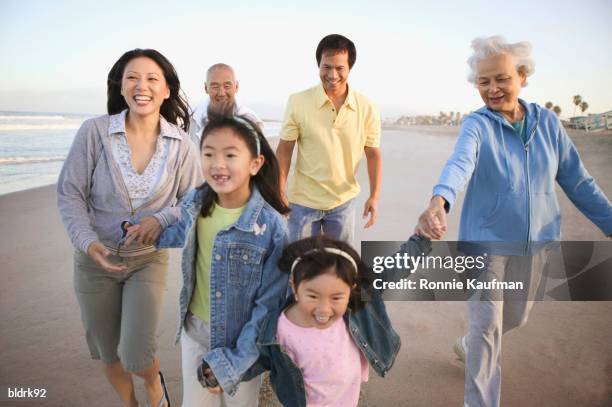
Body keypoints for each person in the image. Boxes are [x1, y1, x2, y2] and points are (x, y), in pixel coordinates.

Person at [415, 36, 612, 407]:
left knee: (515, 318)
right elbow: (460, 163)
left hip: (537, 241)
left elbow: (577, 180)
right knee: (487, 327)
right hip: (483, 243)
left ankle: (468, 343)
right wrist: (439, 200)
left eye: (501, 78)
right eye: (484, 81)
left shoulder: (548, 124)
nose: (492, 89)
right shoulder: (477, 125)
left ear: (522, 76)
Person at [57, 48, 202, 407]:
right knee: (108, 351)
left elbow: (195, 200)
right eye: (132, 78)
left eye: (152, 78)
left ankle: (155, 388)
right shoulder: (94, 132)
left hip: (147, 261)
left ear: (167, 89)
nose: (142, 86)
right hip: (93, 262)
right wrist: (88, 242)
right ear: (120, 88)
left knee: (137, 353)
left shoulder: (182, 145)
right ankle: (131, 404)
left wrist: (160, 219)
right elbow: (70, 193)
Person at [128, 116, 290, 406]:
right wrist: (147, 233)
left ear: (255, 163)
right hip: (196, 329)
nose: (218, 164)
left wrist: (237, 361)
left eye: (230, 155)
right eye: (208, 153)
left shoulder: (272, 227)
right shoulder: (196, 200)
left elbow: (269, 305)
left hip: (242, 340)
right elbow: (182, 232)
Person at [248, 234, 431, 407]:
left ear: (351, 290)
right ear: (294, 287)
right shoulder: (278, 330)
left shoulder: (356, 301)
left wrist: (421, 240)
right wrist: (224, 377)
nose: (324, 309)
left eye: (336, 298)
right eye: (312, 296)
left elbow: (391, 271)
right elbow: (255, 359)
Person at [276, 34, 382, 244]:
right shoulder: (297, 101)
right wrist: (279, 189)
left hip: (342, 202)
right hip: (302, 202)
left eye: (339, 68)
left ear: (349, 68)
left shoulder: (368, 107)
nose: (332, 74)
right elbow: (285, 149)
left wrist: (374, 197)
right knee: (299, 267)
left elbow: (373, 154)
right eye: (327, 67)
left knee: (340, 266)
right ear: (319, 66)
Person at [189, 63, 263, 144]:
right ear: (206, 88)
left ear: (236, 87)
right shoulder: (193, 118)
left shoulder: (251, 120)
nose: (221, 93)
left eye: (227, 86)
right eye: (215, 87)